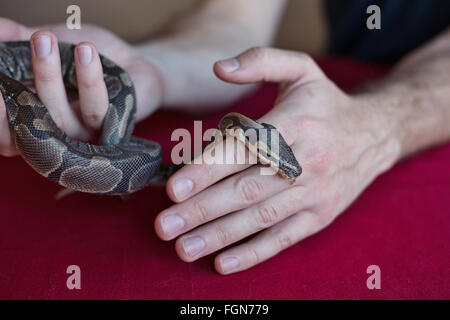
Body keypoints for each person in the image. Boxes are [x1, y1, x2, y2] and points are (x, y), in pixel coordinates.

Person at [0, 0, 449, 275]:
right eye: (278, 161)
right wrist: (148, 68)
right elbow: (233, 20)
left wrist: (378, 125)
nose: (281, 169)